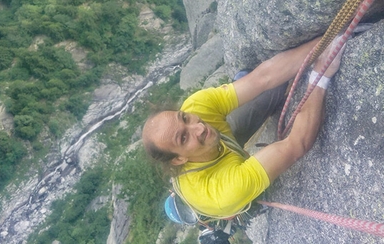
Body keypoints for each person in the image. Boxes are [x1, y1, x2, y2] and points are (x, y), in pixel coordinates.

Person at [142, 37, 345, 219]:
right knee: (257, 167)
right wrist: (320, 77)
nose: (198, 127)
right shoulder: (222, 191)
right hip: (226, 170)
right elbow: (296, 144)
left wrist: (328, 42)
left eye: (184, 118)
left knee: (269, 85)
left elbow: (262, 78)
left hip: (220, 142)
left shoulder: (196, 108)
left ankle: (241, 84)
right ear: (179, 159)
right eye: (183, 138)